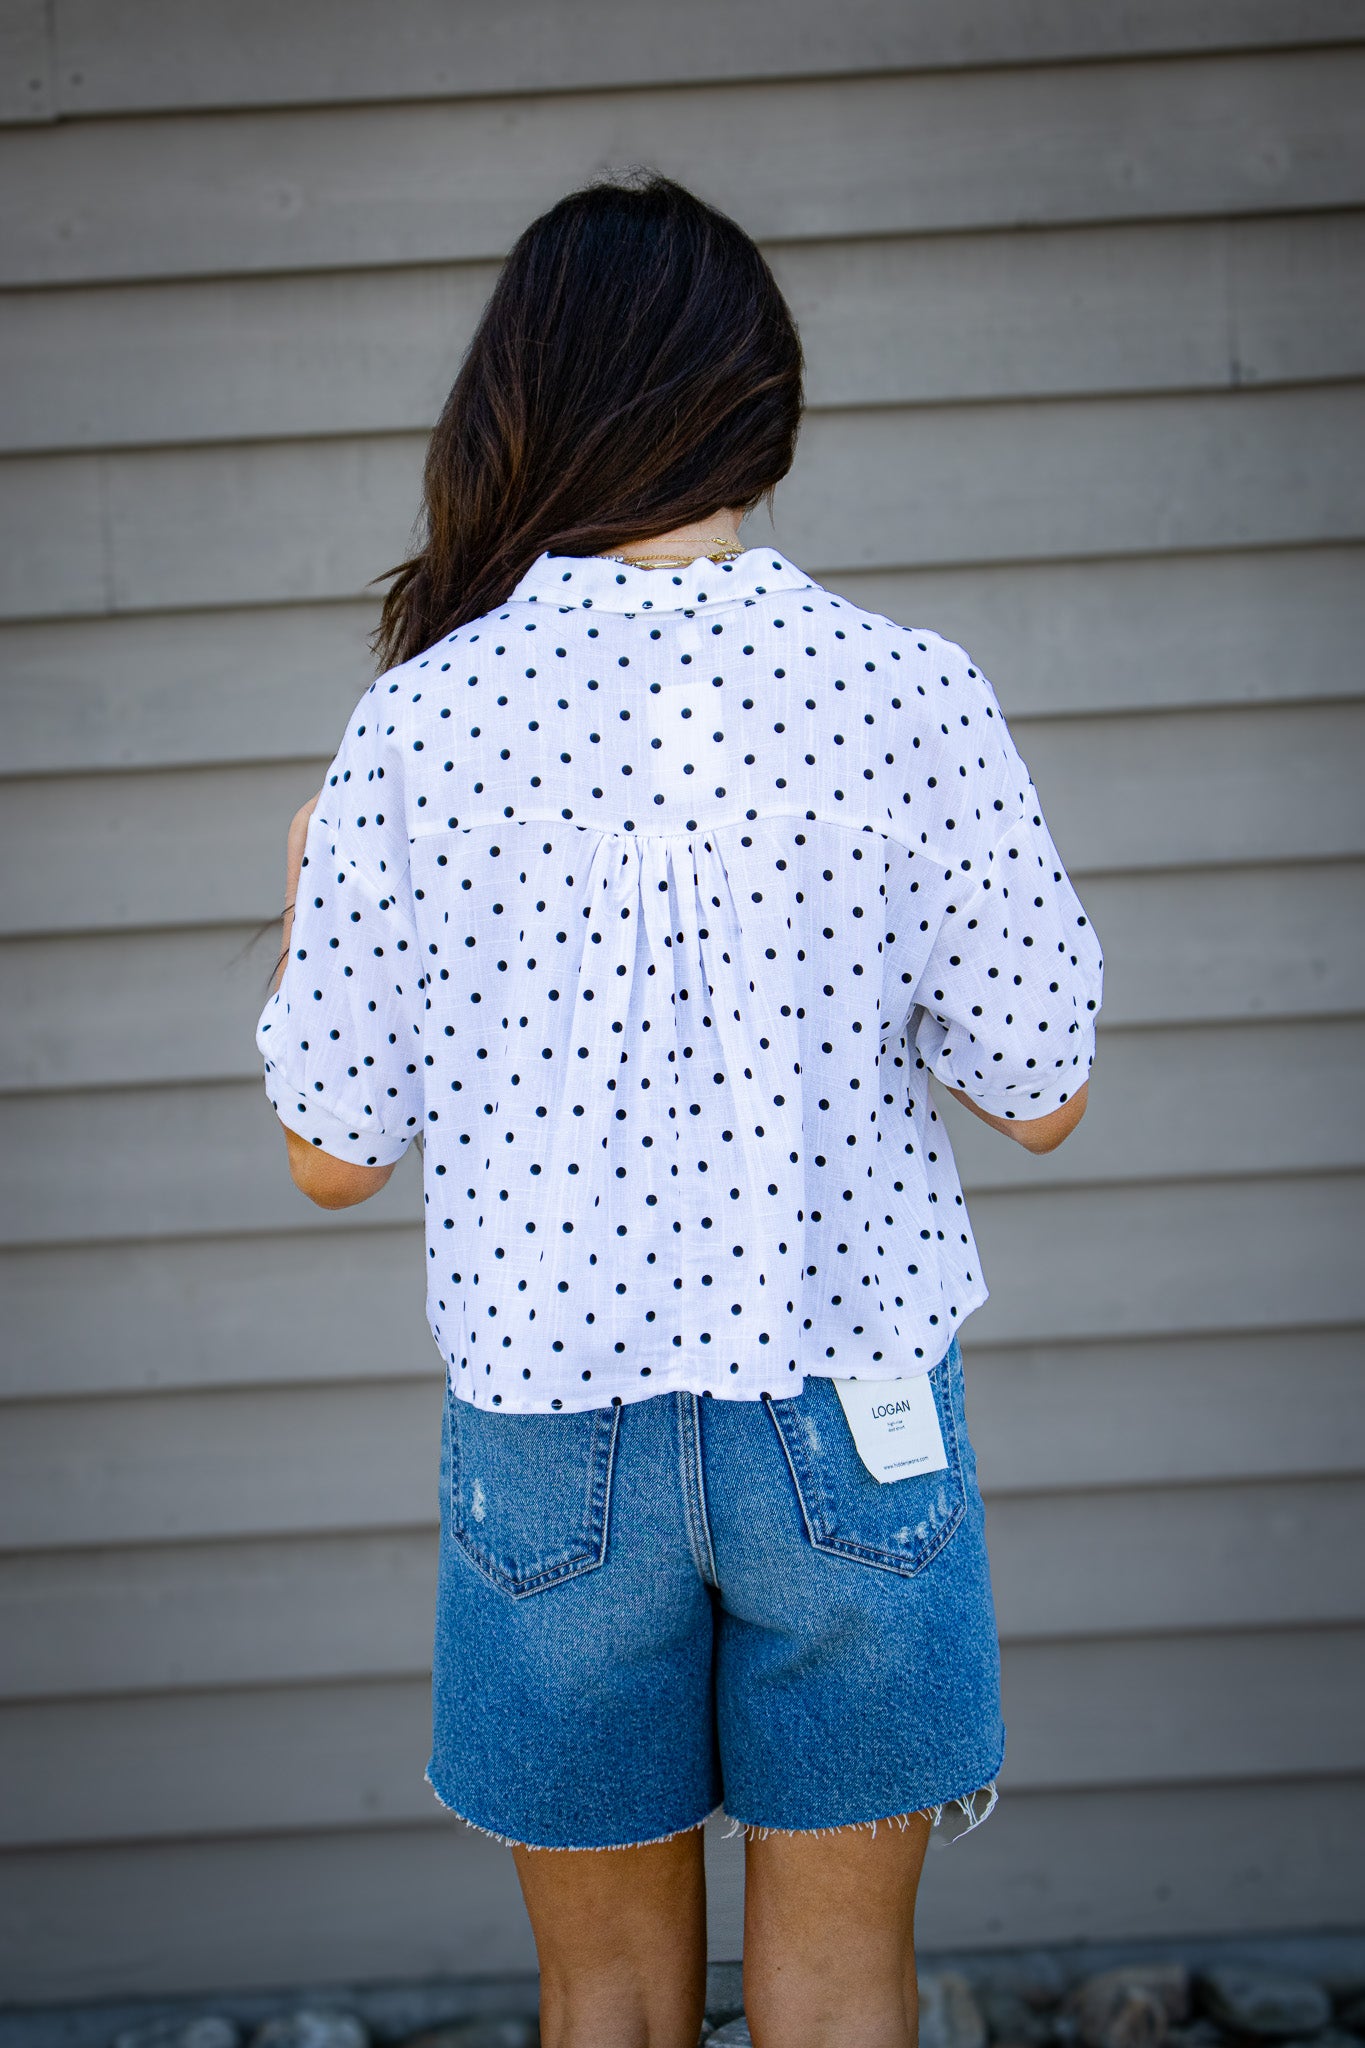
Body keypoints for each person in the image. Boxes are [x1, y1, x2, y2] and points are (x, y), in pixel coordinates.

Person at [257, 173, 1103, 2048]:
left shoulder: (418, 727)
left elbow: (328, 1151)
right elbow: (1039, 1091)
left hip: (553, 1447)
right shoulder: (906, 695)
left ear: (525, 402)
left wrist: (316, 875)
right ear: (763, 412)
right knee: (836, 1987)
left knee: (612, 2001)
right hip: (851, 1420)